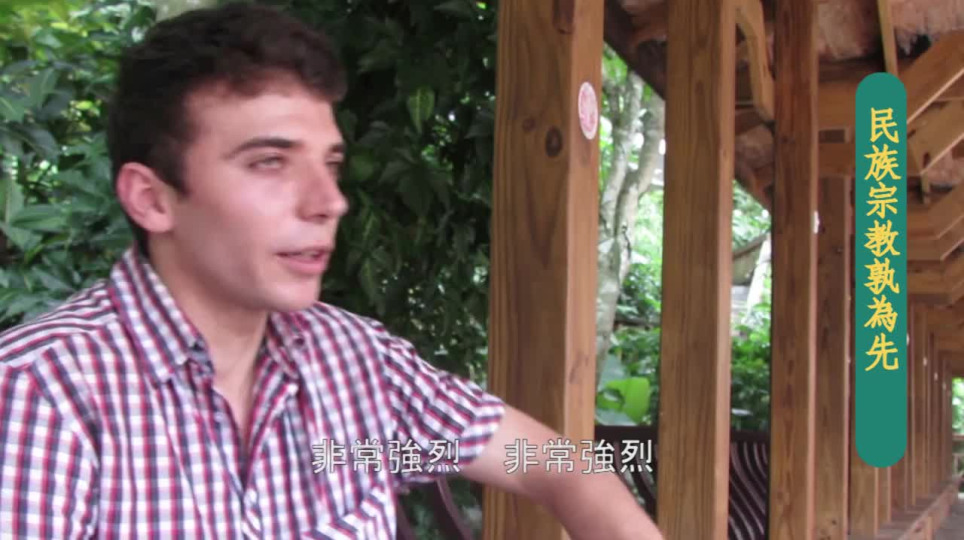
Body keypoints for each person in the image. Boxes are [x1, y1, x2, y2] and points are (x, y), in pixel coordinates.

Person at [0, 3, 664, 539]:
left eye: (331, 164)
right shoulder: (39, 396)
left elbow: (552, 462)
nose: (330, 202)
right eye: (269, 162)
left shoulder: (357, 363)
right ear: (152, 198)